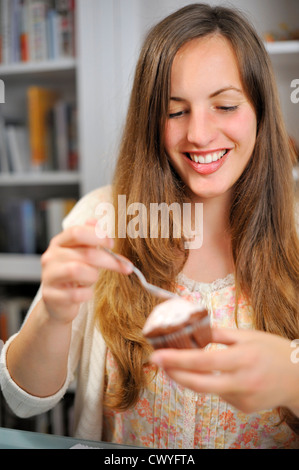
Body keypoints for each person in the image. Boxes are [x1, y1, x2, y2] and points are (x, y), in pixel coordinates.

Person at [1, 3, 299, 449]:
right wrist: (52, 315)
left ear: (259, 110)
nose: (199, 133)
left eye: (225, 105)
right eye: (175, 111)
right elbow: (23, 402)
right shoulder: (103, 221)